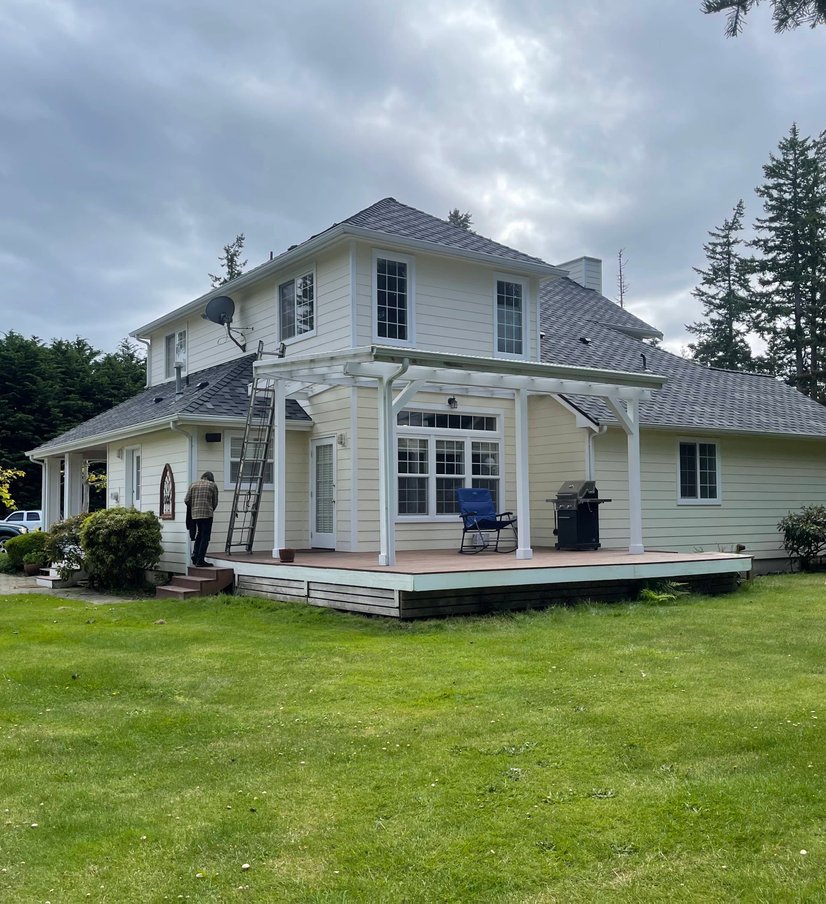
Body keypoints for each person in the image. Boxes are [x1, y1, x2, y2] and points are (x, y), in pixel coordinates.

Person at [184, 471, 219, 567]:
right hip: (207, 514)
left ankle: (195, 556)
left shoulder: (193, 485)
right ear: (210, 478)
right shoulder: (212, 485)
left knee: (199, 534)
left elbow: (186, 500)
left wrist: (194, 507)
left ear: (203, 477)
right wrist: (210, 509)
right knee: (205, 536)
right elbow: (215, 502)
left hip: (195, 515)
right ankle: (200, 560)